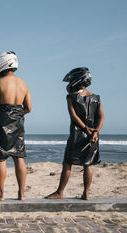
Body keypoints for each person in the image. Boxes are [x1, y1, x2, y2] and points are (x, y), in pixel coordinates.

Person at [45, 67, 104, 200]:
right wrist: (95, 131)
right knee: (87, 164)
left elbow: (73, 116)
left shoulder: (71, 97)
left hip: (77, 134)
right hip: (93, 136)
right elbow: (101, 117)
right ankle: (86, 193)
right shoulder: (96, 97)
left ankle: (60, 192)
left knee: (67, 163)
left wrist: (85, 128)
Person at [0, 51, 32, 201]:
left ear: (3, 63)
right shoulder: (23, 83)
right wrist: (18, 116)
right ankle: (21, 194)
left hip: (2, 120)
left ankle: (0, 194)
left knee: (1, 158)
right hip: (18, 121)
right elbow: (29, 107)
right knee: (19, 157)